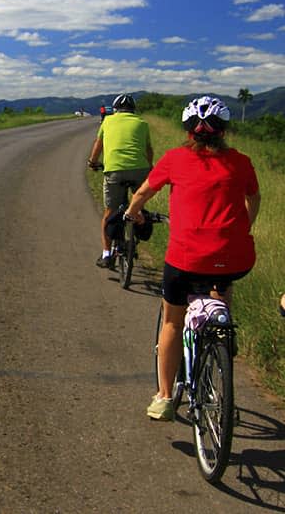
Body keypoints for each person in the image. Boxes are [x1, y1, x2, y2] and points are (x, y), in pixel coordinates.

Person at [124, 96, 260, 421]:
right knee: (221, 282)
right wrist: (243, 227)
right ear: (224, 131)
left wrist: (132, 213)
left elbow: (143, 193)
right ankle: (223, 332)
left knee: (172, 321)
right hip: (236, 256)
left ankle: (165, 397)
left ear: (188, 132)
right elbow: (252, 198)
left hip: (185, 260)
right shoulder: (241, 162)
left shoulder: (174, 159)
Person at [87, 94, 154, 268]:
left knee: (109, 212)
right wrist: (150, 167)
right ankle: (137, 230)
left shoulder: (107, 121)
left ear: (115, 109)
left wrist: (92, 163)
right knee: (137, 204)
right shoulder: (142, 123)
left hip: (114, 172)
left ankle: (106, 254)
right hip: (140, 170)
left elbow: (98, 145)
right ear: (133, 110)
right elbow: (148, 149)